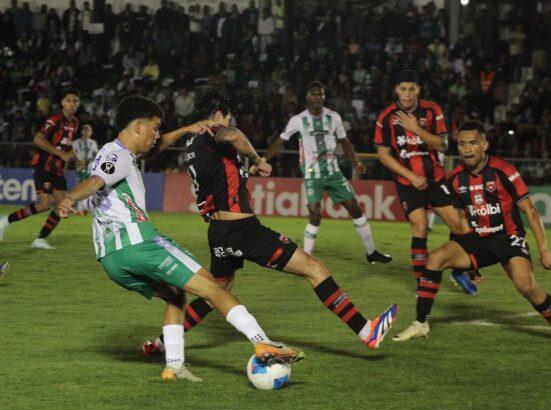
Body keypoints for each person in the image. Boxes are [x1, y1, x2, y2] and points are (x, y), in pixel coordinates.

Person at [57, 95, 304, 381]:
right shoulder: (118, 155)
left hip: (112, 259)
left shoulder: (115, 151)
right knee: (213, 287)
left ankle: (174, 366)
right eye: (155, 127)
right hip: (140, 244)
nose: (157, 135)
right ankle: (262, 342)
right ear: (138, 126)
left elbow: (152, 149)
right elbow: (97, 181)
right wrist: (70, 198)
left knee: (175, 293)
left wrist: (187, 129)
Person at [142, 86, 397, 357]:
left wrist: (242, 167)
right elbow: (233, 135)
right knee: (314, 267)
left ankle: (159, 344)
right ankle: (366, 331)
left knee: (215, 292)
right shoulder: (216, 132)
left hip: (218, 232)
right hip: (243, 230)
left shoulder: (194, 142)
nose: (228, 122)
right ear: (218, 114)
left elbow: (173, 155)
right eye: (227, 117)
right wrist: (256, 157)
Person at [393, 121, 551, 341]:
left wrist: (544, 250)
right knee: (435, 259)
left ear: (484, 145)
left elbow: (531, 211)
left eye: (473, 143)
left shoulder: (504, 170)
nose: (467, 148)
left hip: (507, 237)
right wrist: (466, 258)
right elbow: (460, 221)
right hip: (478, 239)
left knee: (526, 285)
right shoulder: (455, 178)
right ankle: (420, 323)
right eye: (462, 144)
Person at [263, 81, 392, 264]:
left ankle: (371, 252)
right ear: (308, 97)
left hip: (333, 172)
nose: (319, 98)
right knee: (315, 214)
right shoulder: (298, 120)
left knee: (354, 208)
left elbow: (345, 142)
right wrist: (263, 159)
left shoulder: (334, 117)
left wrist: (355, 162)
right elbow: (280, 141)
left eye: (322, 94)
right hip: (312, 174)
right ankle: (306, 258)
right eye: (315, 94)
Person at [374, 70, 477, 294]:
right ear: (396, 90)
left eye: (412, 89)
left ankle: (457, 270)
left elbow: (442, 145)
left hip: (435, 178)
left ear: (418, 90)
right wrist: (411, 177)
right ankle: (422, 282)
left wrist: (416, 129)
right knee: (420, 226)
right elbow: (383, 154)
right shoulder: (386, 117)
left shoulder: (432, 110)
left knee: (460, 227)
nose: (408, 94)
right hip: (406, 181)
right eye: (403, 89)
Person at [0, 88, 80, 249]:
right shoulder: (55, 119)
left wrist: (77, 159)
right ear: (62, 103)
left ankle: (40, 239)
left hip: (57, 170)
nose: (72, 104)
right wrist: (59, 153)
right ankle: (5, 221)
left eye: (75, 101)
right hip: (44, 166)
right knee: (43, 205)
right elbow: (38, 139)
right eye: (69, 100)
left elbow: (67, 145)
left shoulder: (75, 123)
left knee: (62, 206)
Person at [71, 124, 98, 214]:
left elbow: (96, 154)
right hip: (80, 169)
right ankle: (80, 209)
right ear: (82, 131)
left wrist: (87, 162)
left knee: (90, 188)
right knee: (81, 188)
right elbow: (71, 154)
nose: (87, 132)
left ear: (91, 132)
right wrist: (78, 162)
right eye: (85, 130)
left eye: (88, 131)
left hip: (90, 169)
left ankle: (85, 208)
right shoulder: (75, 143)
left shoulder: (93, 143)